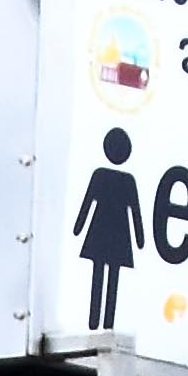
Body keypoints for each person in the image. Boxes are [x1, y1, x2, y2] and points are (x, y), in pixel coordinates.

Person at [70, 128, 145, 332]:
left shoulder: (103, 175)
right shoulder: (125, 180)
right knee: (111, 277)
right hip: (117, 234)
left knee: (102, 274)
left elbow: (89, 204)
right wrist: (140, 238)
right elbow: (135, 212)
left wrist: (78, 227)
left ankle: (98, 321)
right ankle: (102, 322)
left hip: (102, 231)